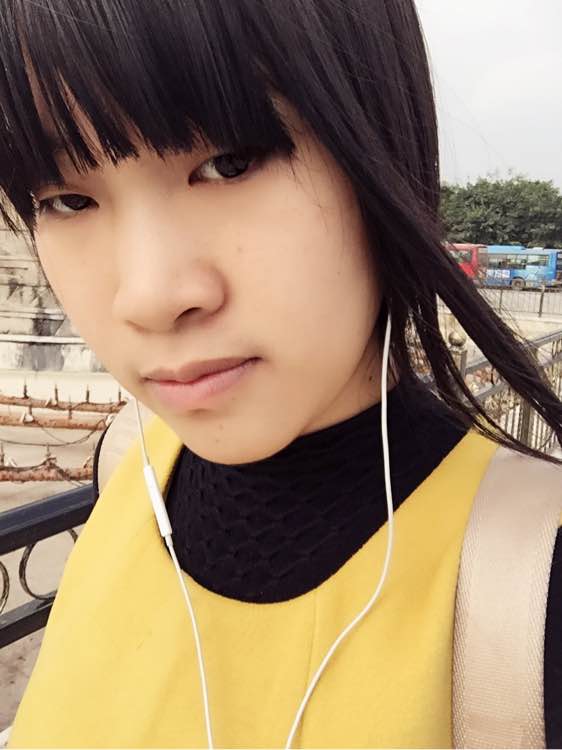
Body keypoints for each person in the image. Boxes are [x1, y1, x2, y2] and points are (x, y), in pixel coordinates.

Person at [0, 0, 560, 747]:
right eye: (67, 200)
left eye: (229, 164)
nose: (150, 296)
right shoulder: (130, 465)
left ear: (382, 150)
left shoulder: (534, 585)